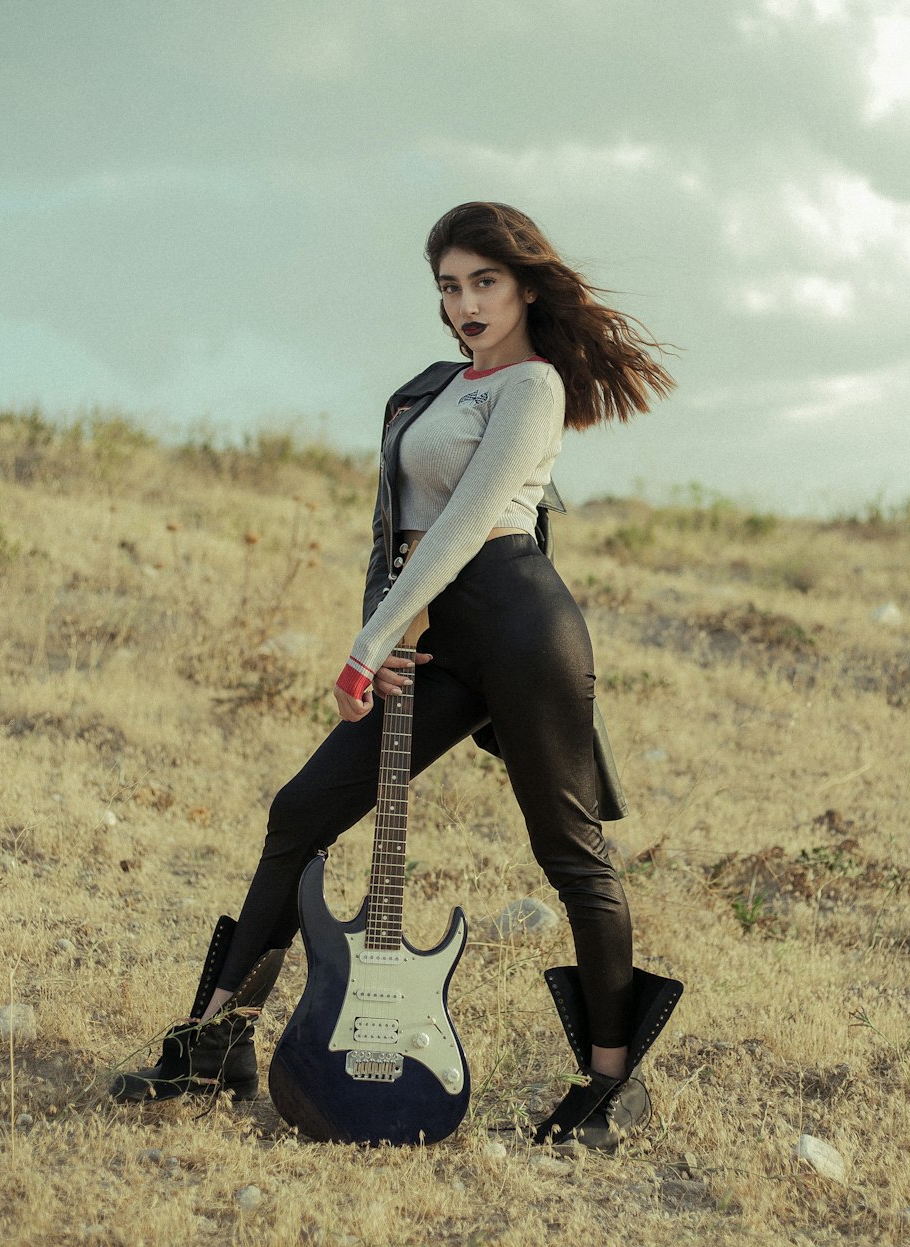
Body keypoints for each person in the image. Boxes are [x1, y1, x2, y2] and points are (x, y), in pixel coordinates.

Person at [110, 202, 683, 1150]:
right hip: (438, 632)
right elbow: (401, 528)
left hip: (520, 626)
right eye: (449, 288)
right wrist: (392, 624)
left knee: (569, 853)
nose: (464, 303)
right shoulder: (439, 386)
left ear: (526, 284)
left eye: (483, 283)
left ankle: (609, 1083)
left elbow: (465, 524)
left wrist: (367, 643)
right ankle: (215, 1043)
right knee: (300, 811)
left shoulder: (532, 387)